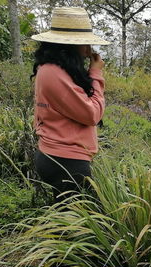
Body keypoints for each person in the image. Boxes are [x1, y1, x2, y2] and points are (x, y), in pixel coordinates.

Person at [30, 7, 110, 204]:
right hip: (66, 160)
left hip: (58, 156)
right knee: (77, 229)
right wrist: (96, 74)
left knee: (65, 222)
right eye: (85, 43)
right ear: (70, 46)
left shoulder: (52, 69)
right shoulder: (54, 73)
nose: (89, 50)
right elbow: (92, 114)